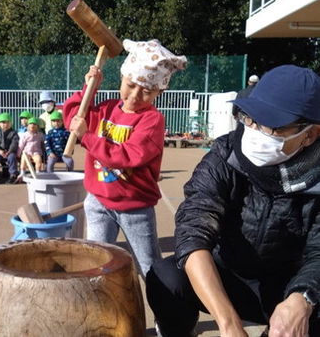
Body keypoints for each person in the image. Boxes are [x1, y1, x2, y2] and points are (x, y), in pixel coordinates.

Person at [146, 65, 320, 337]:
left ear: (309, 134)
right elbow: (193, 230)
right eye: (250, 118)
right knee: (166, 277)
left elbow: (318, 254)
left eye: (271, 125)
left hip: (286, 285)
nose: (254, 130)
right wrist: (228, 324)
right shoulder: (226, 154)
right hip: (228, 274)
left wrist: (303, 298)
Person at [63, 39, 187, 277]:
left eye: (147, 91)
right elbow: (72, 119)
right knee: (97, 263)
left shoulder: (152, 121)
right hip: (98, 201)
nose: (135, 96)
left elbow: (128, 156)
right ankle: (103, 309)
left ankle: (166, 312)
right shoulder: (106, 109)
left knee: (149, 267)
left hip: (135, 207)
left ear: (159, 92)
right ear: (122, 78)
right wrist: (88, 88)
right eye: (130, 85)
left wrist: (87, 137)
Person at [0, 113, 19, 185]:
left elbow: (14, 143)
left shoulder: (14, 133)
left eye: (7, 122)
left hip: (10, 152)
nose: (5, 124)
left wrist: (9, 151)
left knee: (12, 157)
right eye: (3, 122)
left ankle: (13, 175)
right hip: (0, 152)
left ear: (11, 123)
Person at [17, 117, 44, 181]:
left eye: (34, 124)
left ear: (38, 127)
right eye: (30, 124)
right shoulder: (25, 135)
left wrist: (44, 150)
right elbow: (21, 145)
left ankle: (38, 173)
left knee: (38, 160)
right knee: (23, 159)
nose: (32, 126)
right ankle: (22, 172)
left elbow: (43, 143)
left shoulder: (40, 135)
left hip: (36, 152)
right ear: (27, 126)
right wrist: (18, 154)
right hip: (27, 152)